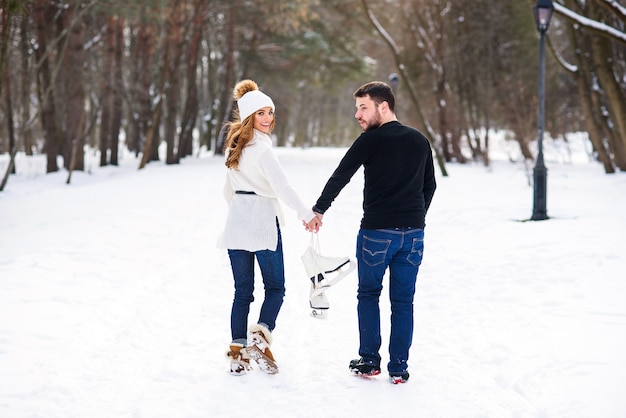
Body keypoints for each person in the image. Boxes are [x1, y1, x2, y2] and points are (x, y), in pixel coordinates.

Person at [306, 81, 436, 384]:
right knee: (404, 302)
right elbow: (429, 187)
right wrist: (415, 218)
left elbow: (341, 175)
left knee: (368, 295)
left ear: (383, 106)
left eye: (363, 107)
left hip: (377, 233)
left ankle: (369, 360)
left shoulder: (371, 140)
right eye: (356, 108)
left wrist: (319, 210)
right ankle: (399, 368)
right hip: (414, 236)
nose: (357, 114)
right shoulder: (420, 140)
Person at [218, 79, 321, 376]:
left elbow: (227, 191)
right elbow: (283, 187)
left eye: (270, 113)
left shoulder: (234, 148)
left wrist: (239, 213)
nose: (267, 119)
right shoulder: (263, 150)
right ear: (249, 116)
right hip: (262, 222)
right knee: (275, 288)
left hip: (236, 224)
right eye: (261, 113)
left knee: (242, 292)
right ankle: (259, 336)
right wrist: (306, 214)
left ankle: (238, 354)